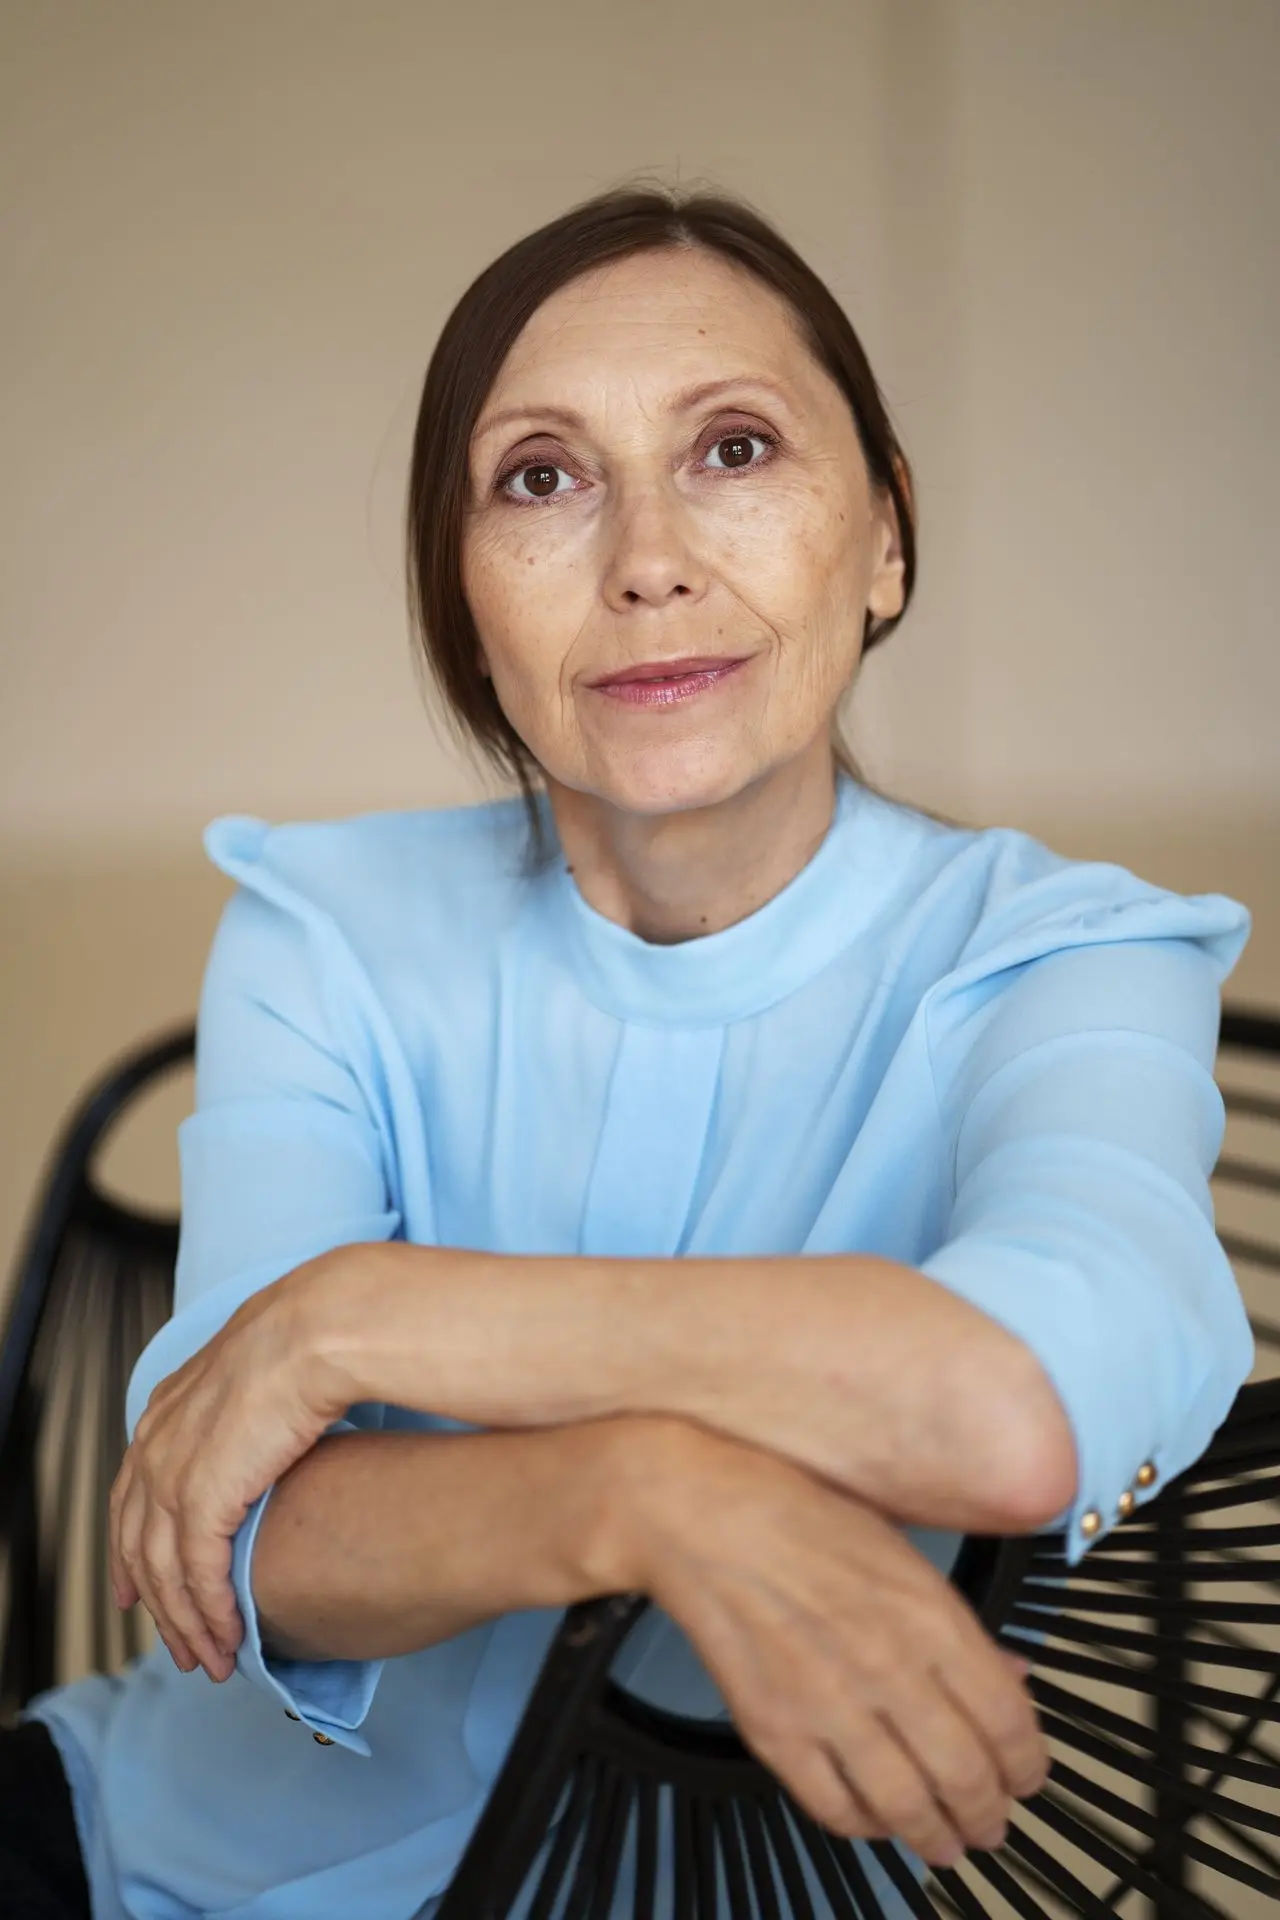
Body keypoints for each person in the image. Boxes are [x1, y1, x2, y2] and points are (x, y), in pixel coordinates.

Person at [4, 183, 1254, 1920]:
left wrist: (354, 1316)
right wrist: (637, 1491)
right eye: (541, 477)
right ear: (462, 597)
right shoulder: (325, 925)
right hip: (167, 1866)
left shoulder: (1074, 961)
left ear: (886, 540)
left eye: (734, 449)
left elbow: (1008, 1408)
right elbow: (247, 1543)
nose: (649, 558)